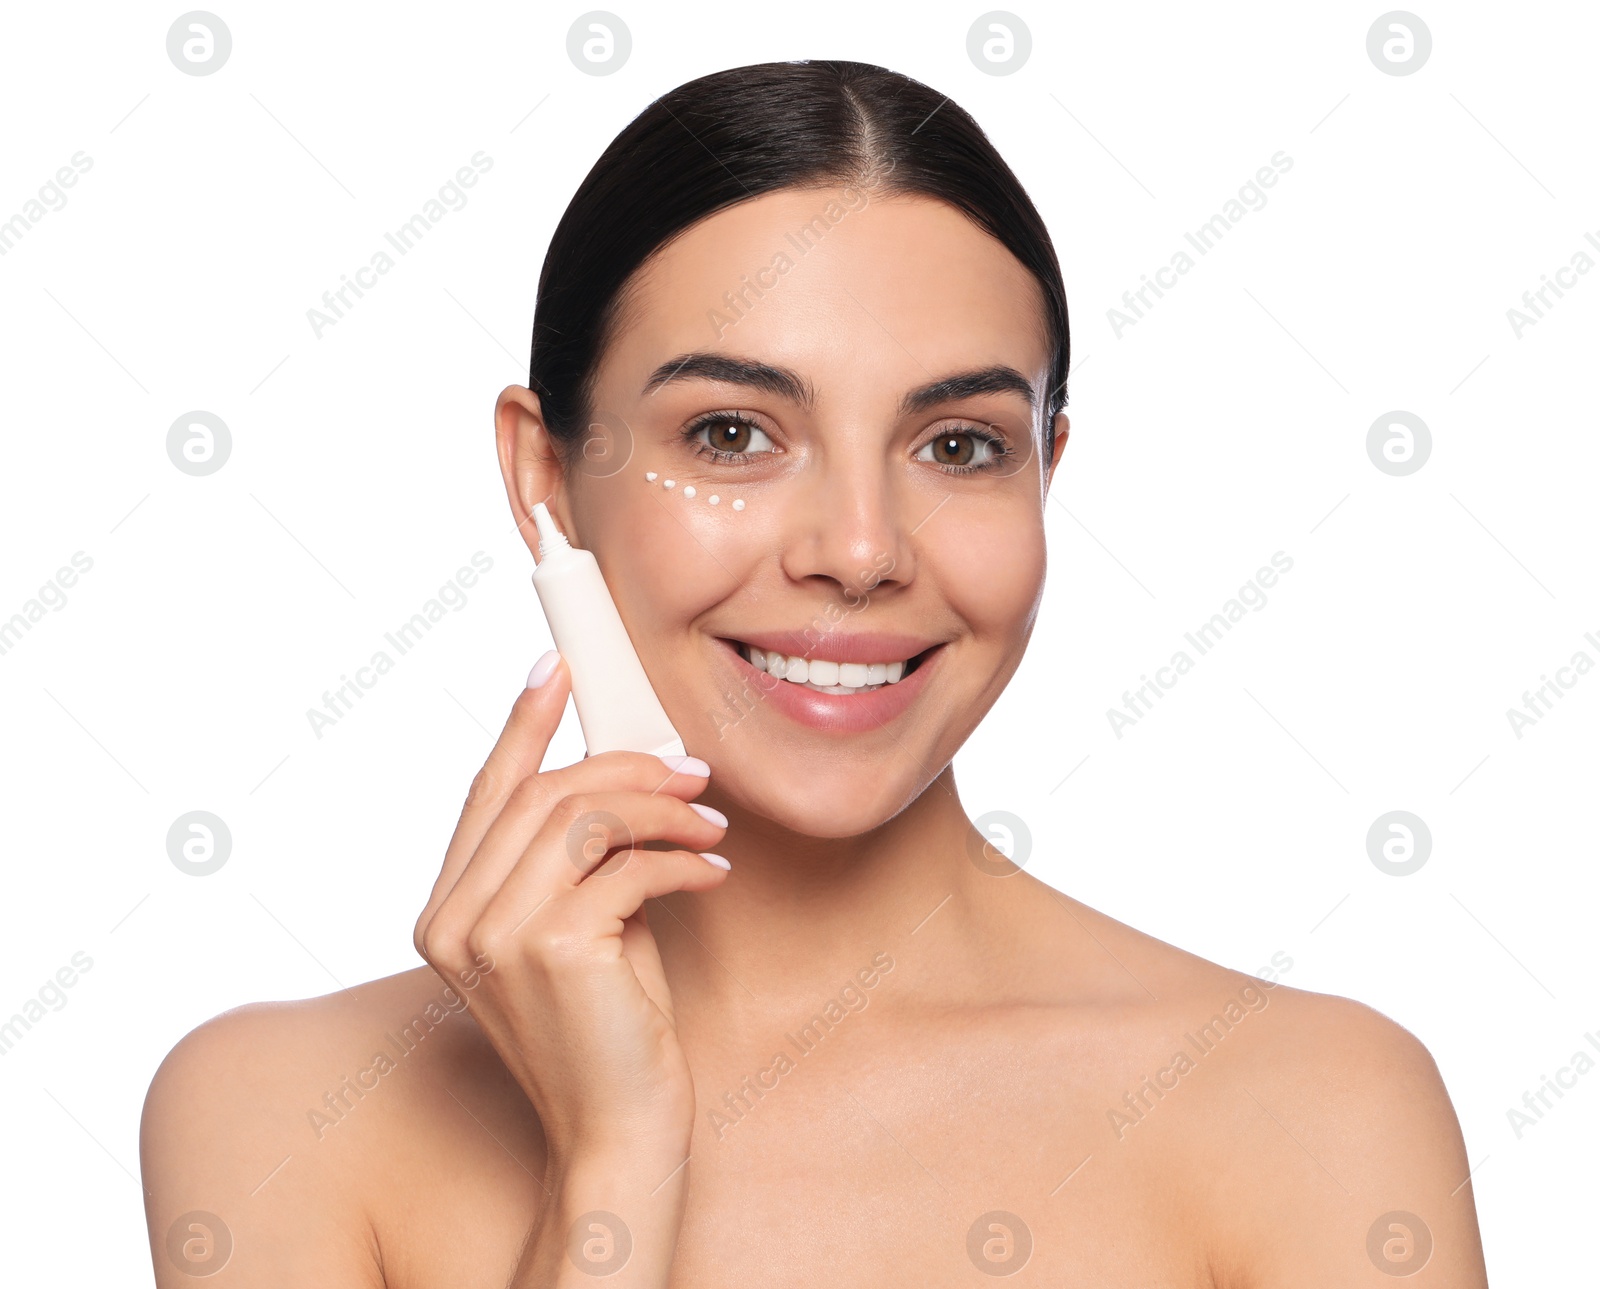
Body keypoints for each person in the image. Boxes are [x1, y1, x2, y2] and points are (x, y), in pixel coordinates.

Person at [141, 60, 1489, 1286]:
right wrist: (613, 1166)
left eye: (958, 446)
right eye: (732, 432)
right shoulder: (277, 1114)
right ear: (547, 475)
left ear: (1048, 473)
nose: (859, 551)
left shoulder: (1314, 1107)